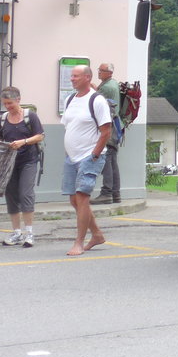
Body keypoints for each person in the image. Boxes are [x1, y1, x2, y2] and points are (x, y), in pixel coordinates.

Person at [60, 64, 111, 256]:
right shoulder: (70, 99)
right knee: (74, 200)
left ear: (87, 78)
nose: (72, 79)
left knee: (82, 198)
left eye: (76, 76)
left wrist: (94, 155)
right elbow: (69, 127)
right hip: (71, 157)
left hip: (89, 156)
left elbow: (106, 131)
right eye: (71, 76)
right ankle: (96, 234)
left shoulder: (97, 100)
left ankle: (78, 242)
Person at [0, 87, 44, 248]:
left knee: (25, 193)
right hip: (8, 163)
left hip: (28, 160)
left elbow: (40, 135)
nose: (8, 107)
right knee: (11, 196)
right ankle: (17, 232)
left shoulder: (30, 116)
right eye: (5, 104)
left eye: (10, 103)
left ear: (18, 99)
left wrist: (23, 142)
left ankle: (30, 232)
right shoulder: (3, 119)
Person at [92, 61, 122, 205]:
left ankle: (107, 193)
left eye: (101, 70)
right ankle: (116, 194)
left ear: (109, 73)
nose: (99, 72)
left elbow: (97, 100)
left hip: (109, 127)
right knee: (113, 161)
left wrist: (93, 89)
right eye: (99, 69)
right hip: (116, 126)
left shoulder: (108, 87)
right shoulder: (112, 84)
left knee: (107, 160)